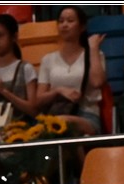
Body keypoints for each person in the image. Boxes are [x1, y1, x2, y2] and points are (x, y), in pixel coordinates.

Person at [34, 7, 105, 135]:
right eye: (61, 21)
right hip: (55, 114)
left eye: (70, 21)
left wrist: (93, 48)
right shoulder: (48, 59)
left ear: (82, 27)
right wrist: (58, 91)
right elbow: (38, 100)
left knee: (60, 122)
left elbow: (97, 82)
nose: (65, 25)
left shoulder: (94, 54)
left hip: (87, 115)